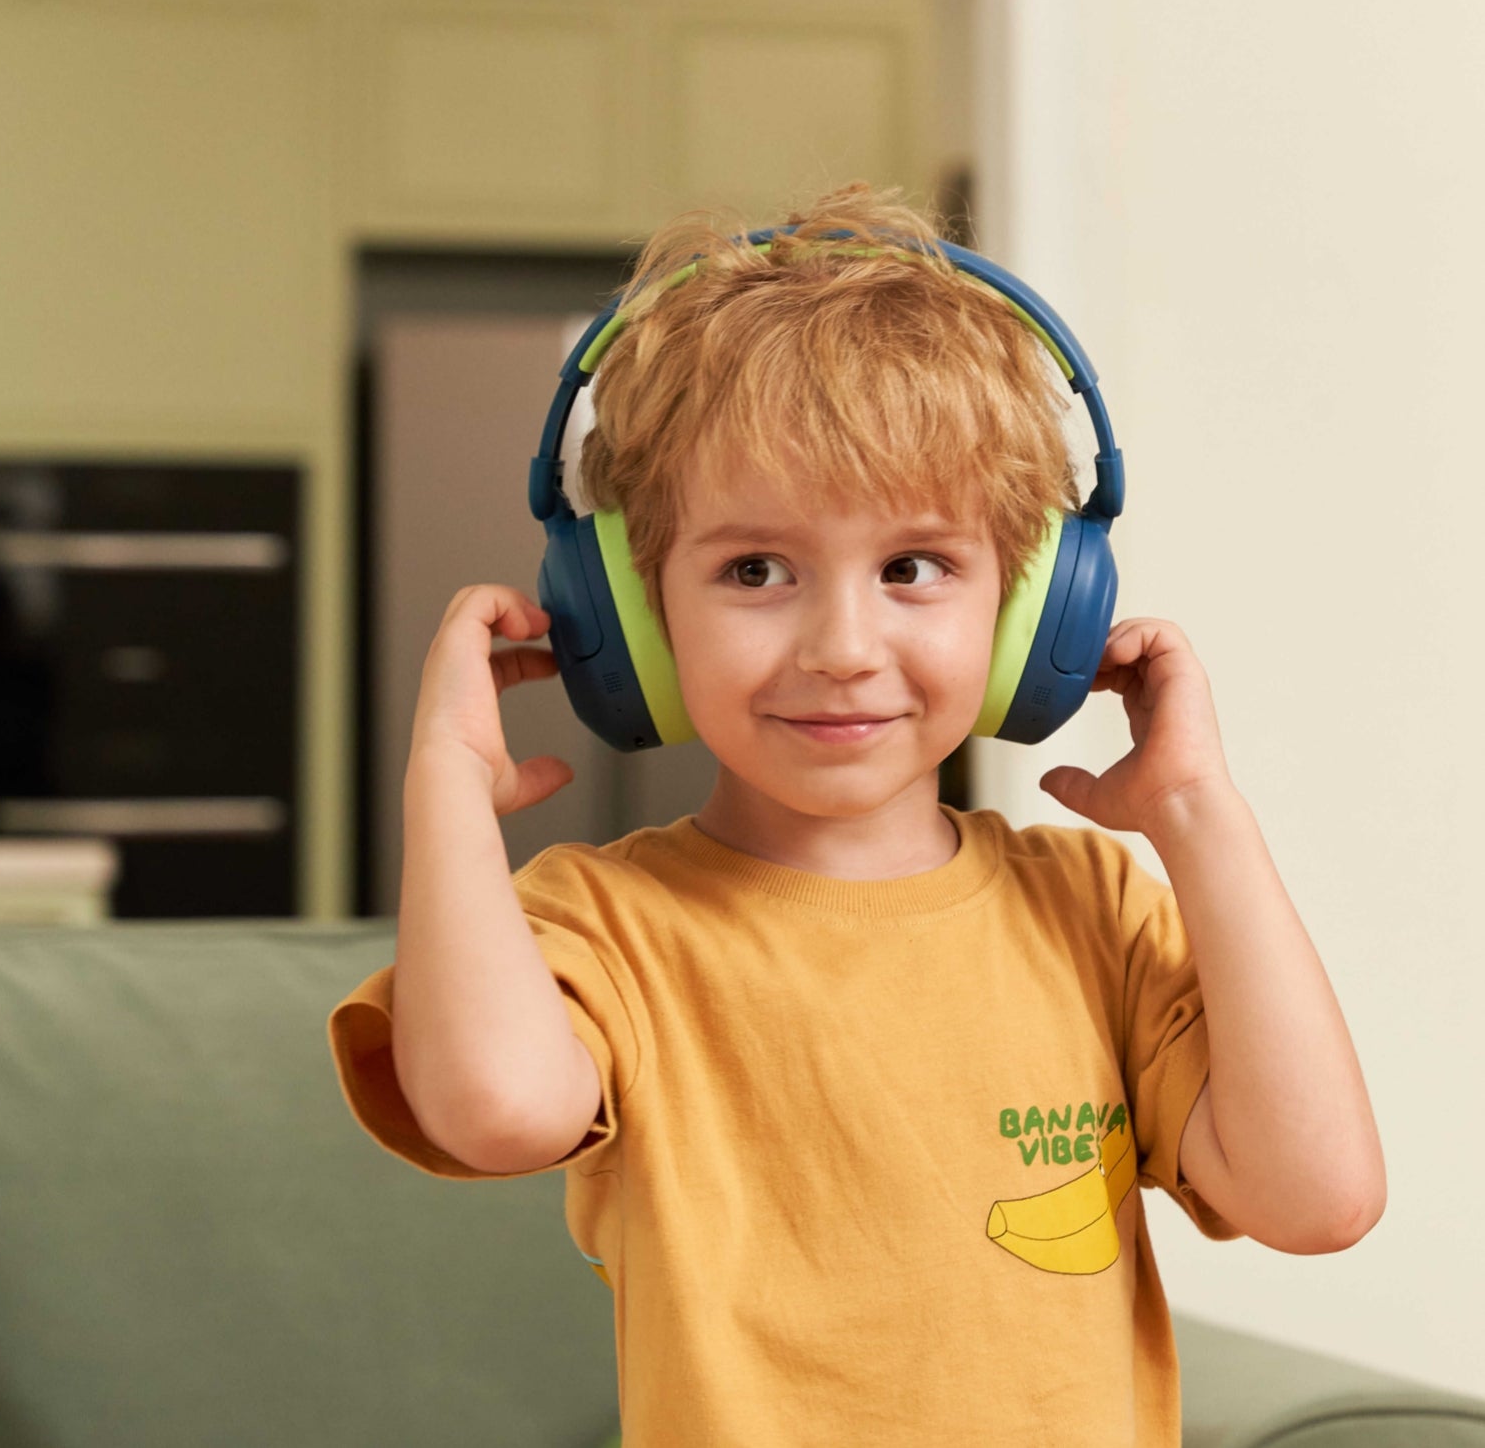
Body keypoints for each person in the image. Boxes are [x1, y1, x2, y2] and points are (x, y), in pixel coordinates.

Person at [328, 183, 1386, 1446]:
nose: (842, 646)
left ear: (1032, 612)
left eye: (913, 568)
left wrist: (1201, 817)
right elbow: (498, 1112)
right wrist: (447, 778)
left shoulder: (1092, 911)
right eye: (756, 570)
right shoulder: (604, 924)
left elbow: (1317, 1200)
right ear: (632, 615)